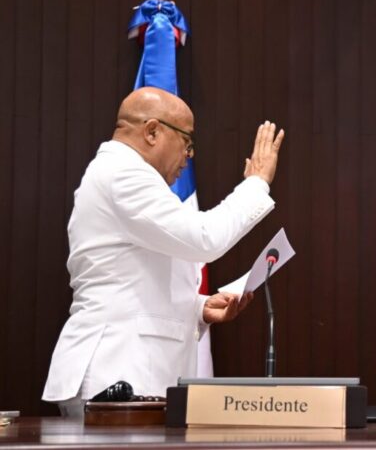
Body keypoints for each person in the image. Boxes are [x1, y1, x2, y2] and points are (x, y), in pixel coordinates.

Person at [42, 87, 285, 417]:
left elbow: (137, 279)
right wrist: (256, 183)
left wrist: (198, 308)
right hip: (115, 370)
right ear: (153, 132)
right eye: (187, 141)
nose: (189, 155)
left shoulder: (124, 173)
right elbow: (204, 238)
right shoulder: (123, 173)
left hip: (128, 370)